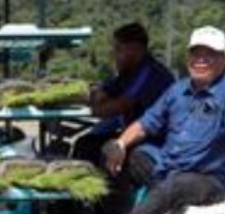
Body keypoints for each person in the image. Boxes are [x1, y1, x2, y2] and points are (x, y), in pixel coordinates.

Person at [92, 25, 225, 214]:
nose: (201, 60)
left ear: (223, 60)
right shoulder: (177, 90)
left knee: (176, 186)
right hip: (168, 165)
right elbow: (146, 123)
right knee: (116, 153)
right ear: (188, 58)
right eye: (196, 54)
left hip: (206, 178)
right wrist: (120, 144)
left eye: (209, 55)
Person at [71, 22, 175, 163]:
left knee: (91, 148)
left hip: (154, 140)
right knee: (86, 143)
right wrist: (74, 96)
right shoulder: (128, 73)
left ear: (136, 49)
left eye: (119, 49)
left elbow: (121, 105)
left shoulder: (149, 72)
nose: (114, 54)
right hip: (134, 134)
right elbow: (102, 93)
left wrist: (85, 111)